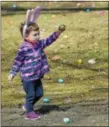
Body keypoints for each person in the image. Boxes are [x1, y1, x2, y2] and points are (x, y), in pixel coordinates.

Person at [8, 6, 66, 120]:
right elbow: (17, 62)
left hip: (37, 75)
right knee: (31, 95)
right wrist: (12, 72)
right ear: (26, 36)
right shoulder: (23, 48)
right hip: (27, 77)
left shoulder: (39, 44)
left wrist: (58, 32)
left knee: (39, 94)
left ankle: (27, 106)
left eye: (38, 33)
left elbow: (49, 40)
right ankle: (29, 113)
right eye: (35, 35)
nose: (38, 36)